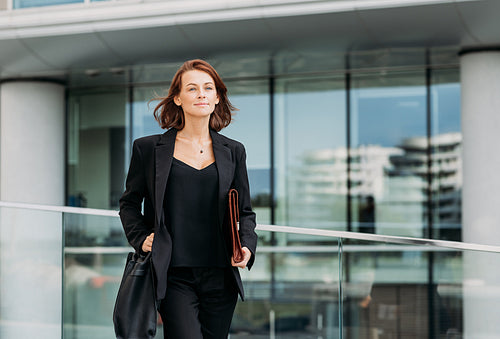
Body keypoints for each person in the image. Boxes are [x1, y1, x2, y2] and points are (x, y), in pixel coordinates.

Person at [119, 59, 258, 338]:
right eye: (192, 89)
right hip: (174, 274)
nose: (201, 94)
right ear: (178, 98)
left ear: (217, 97)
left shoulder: (234, 151)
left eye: (208, 88)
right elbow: (129, 203)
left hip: (221, 274)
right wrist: (141, 237)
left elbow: (245, 211)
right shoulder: (148, 149)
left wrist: (247, 246)